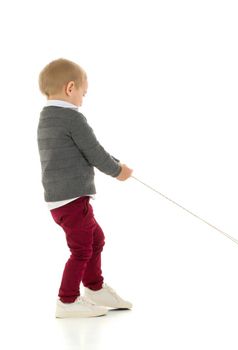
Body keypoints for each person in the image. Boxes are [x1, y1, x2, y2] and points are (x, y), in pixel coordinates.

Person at [38, 58, 134, 318]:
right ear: (70, 88)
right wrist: (118, 171)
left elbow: (86, 150)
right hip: (72, 199)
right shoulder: (71, 117)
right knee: (81, 249)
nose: (83, 98)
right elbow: (94, 152)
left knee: (95, 239)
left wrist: (114, 162)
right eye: (83, 92)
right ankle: (67, 301)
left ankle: (94, 286)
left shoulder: (47, 117)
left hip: (61, 200)